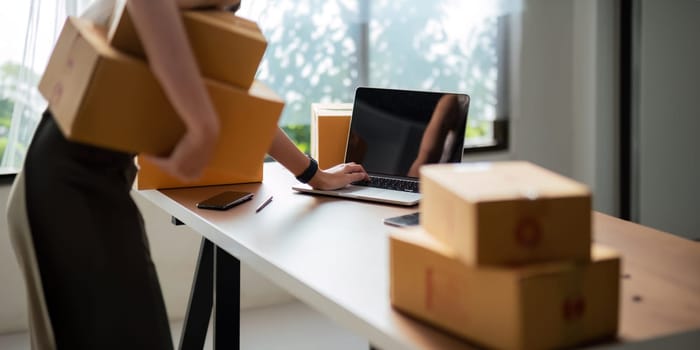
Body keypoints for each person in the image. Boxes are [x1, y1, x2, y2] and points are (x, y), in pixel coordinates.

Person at [5, 0, 368, 349]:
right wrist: (202, 125)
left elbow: (236, 99)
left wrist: (312, 173)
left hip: (96, 180)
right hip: (69, 184)